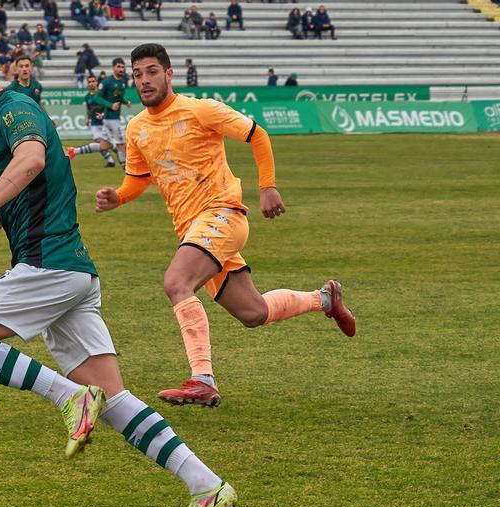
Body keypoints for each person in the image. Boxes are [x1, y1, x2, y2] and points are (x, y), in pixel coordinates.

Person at [0, 28, 237, 507]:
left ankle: (66, 395)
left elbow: (32, 160)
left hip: (48, 266)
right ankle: (207, 486)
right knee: (113, 399)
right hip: (69, 274)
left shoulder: (14, 108)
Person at [94, 43, 356, 408]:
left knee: (176, 282)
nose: (144, 80)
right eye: (138, 75)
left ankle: (202, 378)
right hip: (196, 232)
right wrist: (119, 197)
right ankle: (325, 299)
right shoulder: (137, 128)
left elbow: (257, 134)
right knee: (253, 313)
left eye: (152, 71)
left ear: (169, 75)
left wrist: (267, 187)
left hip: (222, 215)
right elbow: (138, 179)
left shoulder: (200, 109)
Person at [64, 73, 114, 167]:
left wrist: (104, 115)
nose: (91, 83)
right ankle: (111, 161)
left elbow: (108, 106)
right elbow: (89, 109)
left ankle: (75, 151)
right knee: (100, 142)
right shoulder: (87, 97)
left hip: (105, 123)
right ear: (87, 84)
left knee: (107, 144)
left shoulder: (102, 95)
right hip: (95, 124)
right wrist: (88, 119)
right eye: (89, 82)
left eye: (93, 81)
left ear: (97, 82)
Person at [97, 56, 129, 166]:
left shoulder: (122, 82)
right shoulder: (106, 82)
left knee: (105, 145)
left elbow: (117, 98)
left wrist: (125, 102)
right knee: (122, 143)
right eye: (118, 67)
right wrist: (110, 105)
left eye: (123, 67)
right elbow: (97, 97)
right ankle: (125, 167)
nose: (121, 69)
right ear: (113, 68)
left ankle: (75, 151)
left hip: (114, 117)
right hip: (110, 118)